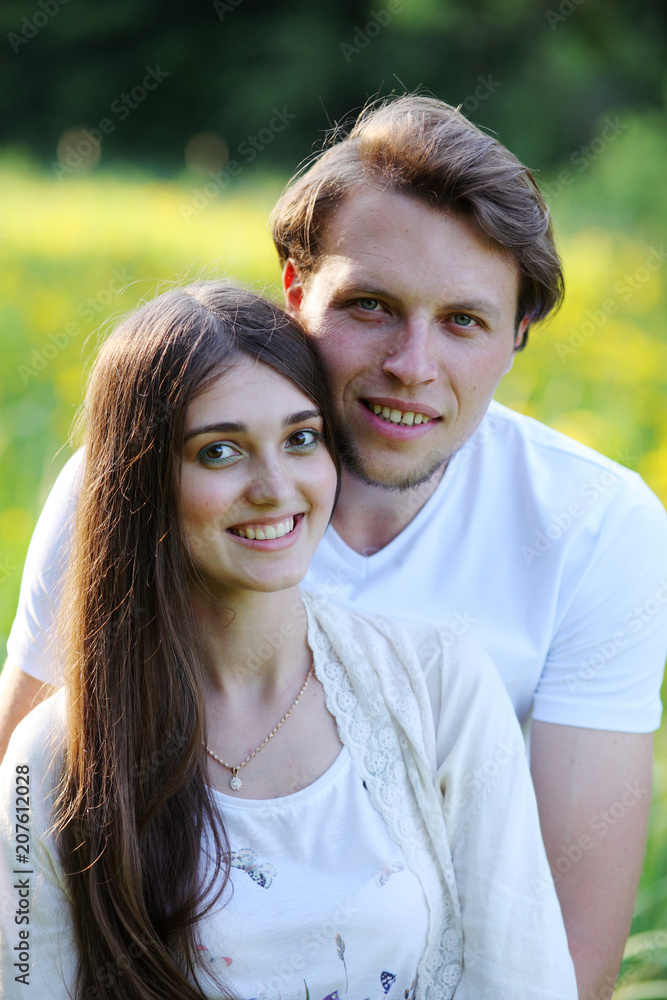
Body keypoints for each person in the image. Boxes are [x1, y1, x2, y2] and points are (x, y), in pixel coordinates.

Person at [1, 95, 666, 998]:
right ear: (293, 291)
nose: (410, 365)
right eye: (370, 306)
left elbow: (560, 960)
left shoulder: (596, 528)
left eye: (463, 321)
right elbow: (23, 821)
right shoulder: (136, 484)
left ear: (517, 336)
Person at [0, 283, 577, 999]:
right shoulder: (52, 757)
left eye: (301, 439)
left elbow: (519, 976)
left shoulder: (439, 682)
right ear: (145, 480)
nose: (276, 487)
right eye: (220, 452)